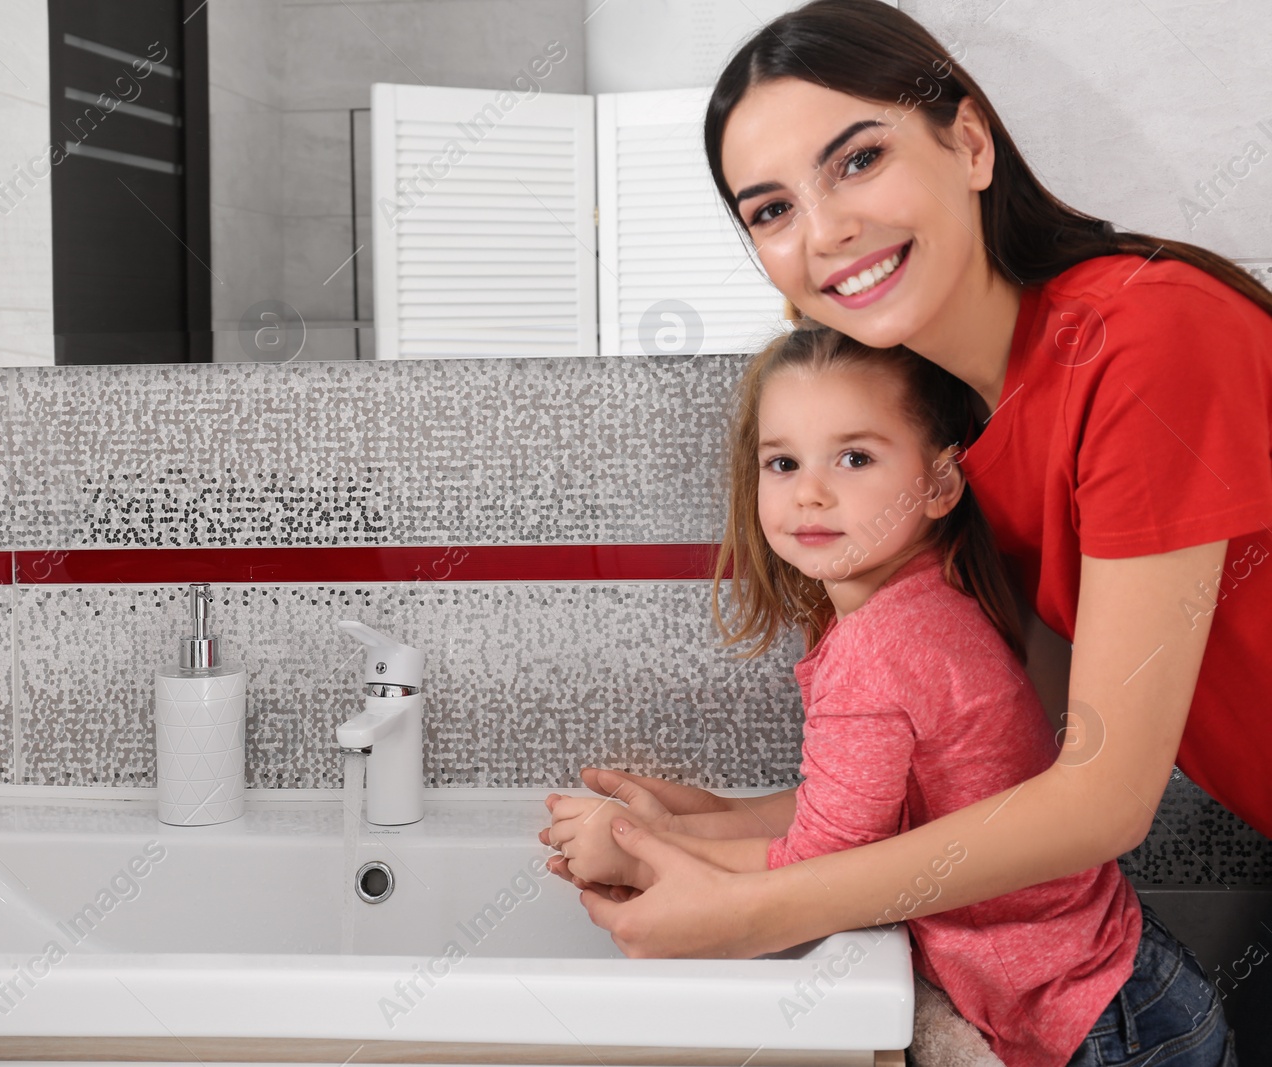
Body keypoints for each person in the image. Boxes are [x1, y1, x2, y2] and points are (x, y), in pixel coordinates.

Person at [542, 0, 1269, 1055]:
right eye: (770, 209)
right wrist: (735, 819)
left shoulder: (1140, 339)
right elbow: (1012, 752)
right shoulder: (964, 433)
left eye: (857, 160)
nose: (824, 230)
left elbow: (1103, 796)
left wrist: (756, 903)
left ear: (968, 144)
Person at [544, 324, 1233, 1065]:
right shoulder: (929, 597)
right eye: (783, 462)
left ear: (940, 483)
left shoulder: (880, 645)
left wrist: (641, 856)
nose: (810, 490)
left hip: (1100, 1023)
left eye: (855, 457)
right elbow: (874, 809)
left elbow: (825, 858)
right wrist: (692, 825)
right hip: (1127, 982)